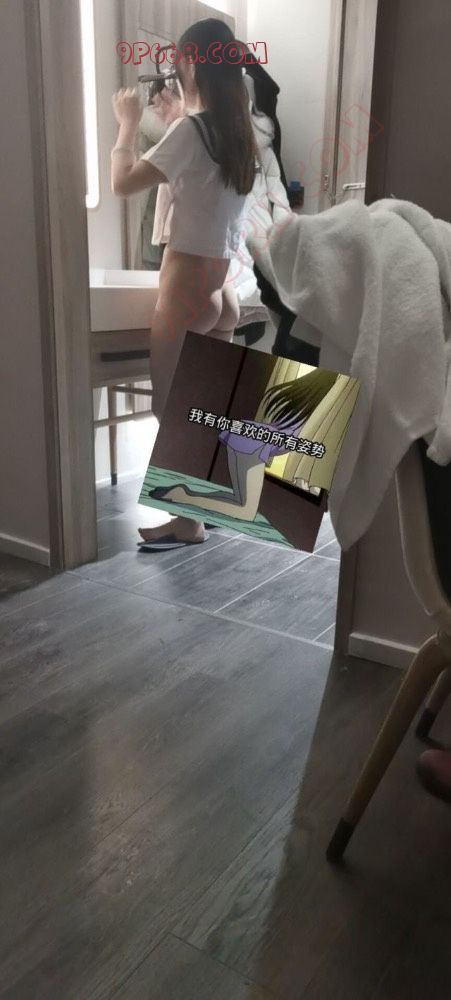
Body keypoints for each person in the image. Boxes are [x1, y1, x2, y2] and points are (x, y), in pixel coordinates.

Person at [111, 18, 258, 549]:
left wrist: (128, 124)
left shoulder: (192, 132)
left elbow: (122, 184)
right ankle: (203, 510)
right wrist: (178, 117)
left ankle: (188, 521)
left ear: (193, 62)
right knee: (205, 408)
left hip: (185, 287)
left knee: (170, 408)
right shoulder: (237, 133)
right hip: (222, 292)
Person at [149, 369, 337, 521]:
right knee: (246, 512)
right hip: (255, 442)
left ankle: (186, 494)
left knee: (239, 500)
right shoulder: (319, 414)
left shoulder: (305, 405)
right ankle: (183, 497)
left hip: (248, 435)